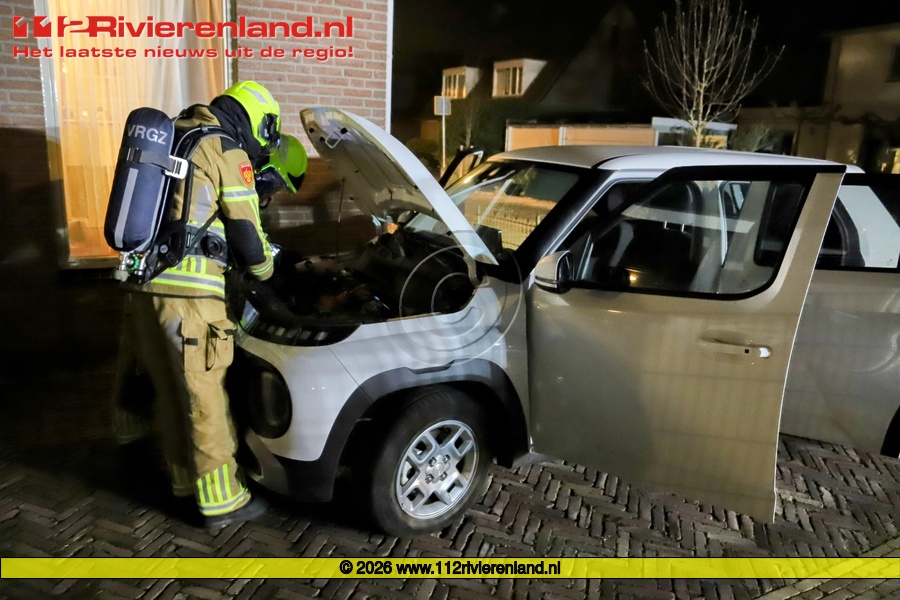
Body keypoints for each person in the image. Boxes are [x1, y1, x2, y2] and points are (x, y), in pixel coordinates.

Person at [122, 81, 291, 531]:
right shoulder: (225, 149)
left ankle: (184, 484)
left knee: (170, 394)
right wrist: (268, 274)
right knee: (205, 399)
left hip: (145, 289)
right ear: (259, 123)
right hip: (192, 300)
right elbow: (247, 237)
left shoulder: (176, 134)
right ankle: (224, 501)